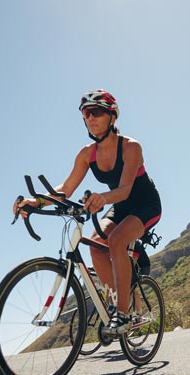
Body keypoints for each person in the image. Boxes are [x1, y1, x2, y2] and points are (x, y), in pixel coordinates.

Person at [15, 89, 162, 334]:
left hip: (145, 204)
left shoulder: (130, 147)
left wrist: (102, 198)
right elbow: (66, 188)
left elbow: (125, 189)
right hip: (120, 206)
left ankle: (123, 315)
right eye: (86, 113)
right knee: (94, 243)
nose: (90, 118)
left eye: (96, 112)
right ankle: (116, 303)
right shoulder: (86, 154)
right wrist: (35, 202)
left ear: (112, 117)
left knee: (116, 240)